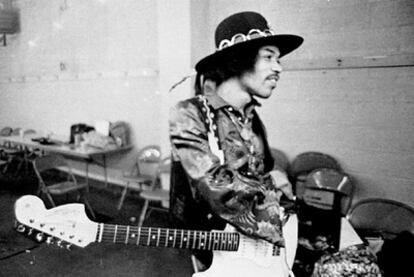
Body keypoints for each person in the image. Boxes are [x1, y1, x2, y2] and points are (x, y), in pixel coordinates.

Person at [168, 11, 303, 272]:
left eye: (278, 59)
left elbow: (265, 168)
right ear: (238, 60)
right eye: (268, 57)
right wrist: (271, 186)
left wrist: (275, 172)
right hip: (214, 243)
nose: (279, 68)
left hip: (258, 244)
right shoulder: (188, 113)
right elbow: (217, 188)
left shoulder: (252, 117)